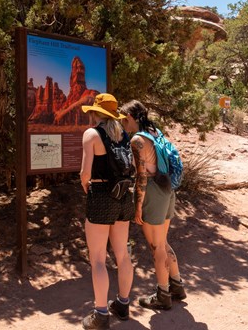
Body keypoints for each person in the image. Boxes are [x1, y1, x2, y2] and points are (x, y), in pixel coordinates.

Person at [119, 100, 187, 310]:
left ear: (130, 117)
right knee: (163, 242)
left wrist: (138, 205)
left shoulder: (138, 140)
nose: (122, 123)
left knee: (156, 247)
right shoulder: (154, 132)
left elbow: (141, 176)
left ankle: (163, 294)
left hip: (152, 192)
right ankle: (176, 285)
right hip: (166, 189)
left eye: (123, 118)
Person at [80, 94, 134, 330]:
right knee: (122, 254)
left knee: (98, 258)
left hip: (102, 196)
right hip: (124, 196)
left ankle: (101, 314)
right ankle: (122, 304)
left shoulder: (92, 134)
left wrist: (88, 188)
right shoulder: (123, 135)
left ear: (95, 113)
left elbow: (84, 174)